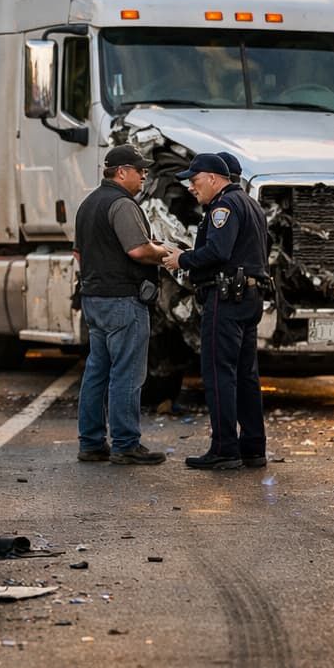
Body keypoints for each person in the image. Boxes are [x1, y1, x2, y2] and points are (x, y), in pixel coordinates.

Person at [162, 153, 270, 470]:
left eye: (195, 181)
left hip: (226, 300)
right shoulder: (250, 204)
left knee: (219, 373)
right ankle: (253, 448)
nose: (191, 188)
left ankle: (224, 449)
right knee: (246, 376)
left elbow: (218, 251)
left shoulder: (224, 206)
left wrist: (182, 259)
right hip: (249, 297)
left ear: (212, 178)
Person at [73, 144, 171, 465]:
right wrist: (165, 252)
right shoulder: (122, 204)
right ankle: (126, 444)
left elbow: (78, 254)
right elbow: (138, 251)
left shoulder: (88, 204)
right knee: (127, 372)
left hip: (94, 298)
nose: (144, 176)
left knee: (96, 371)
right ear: (121, 172)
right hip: (123, 300)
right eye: (139, 170)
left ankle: (91, 443)